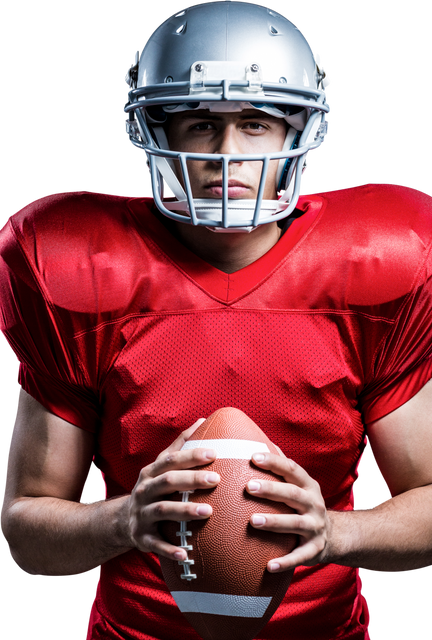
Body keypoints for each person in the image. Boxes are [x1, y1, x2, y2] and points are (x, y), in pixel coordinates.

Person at [1, 2, 431, 639]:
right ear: (157, 131)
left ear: (298, 133)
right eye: (200, 123)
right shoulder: (78, 264)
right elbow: (28, 535)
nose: (226, 153)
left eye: (255, 122)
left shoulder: (375, 261)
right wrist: (124, 521)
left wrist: (337, 531)